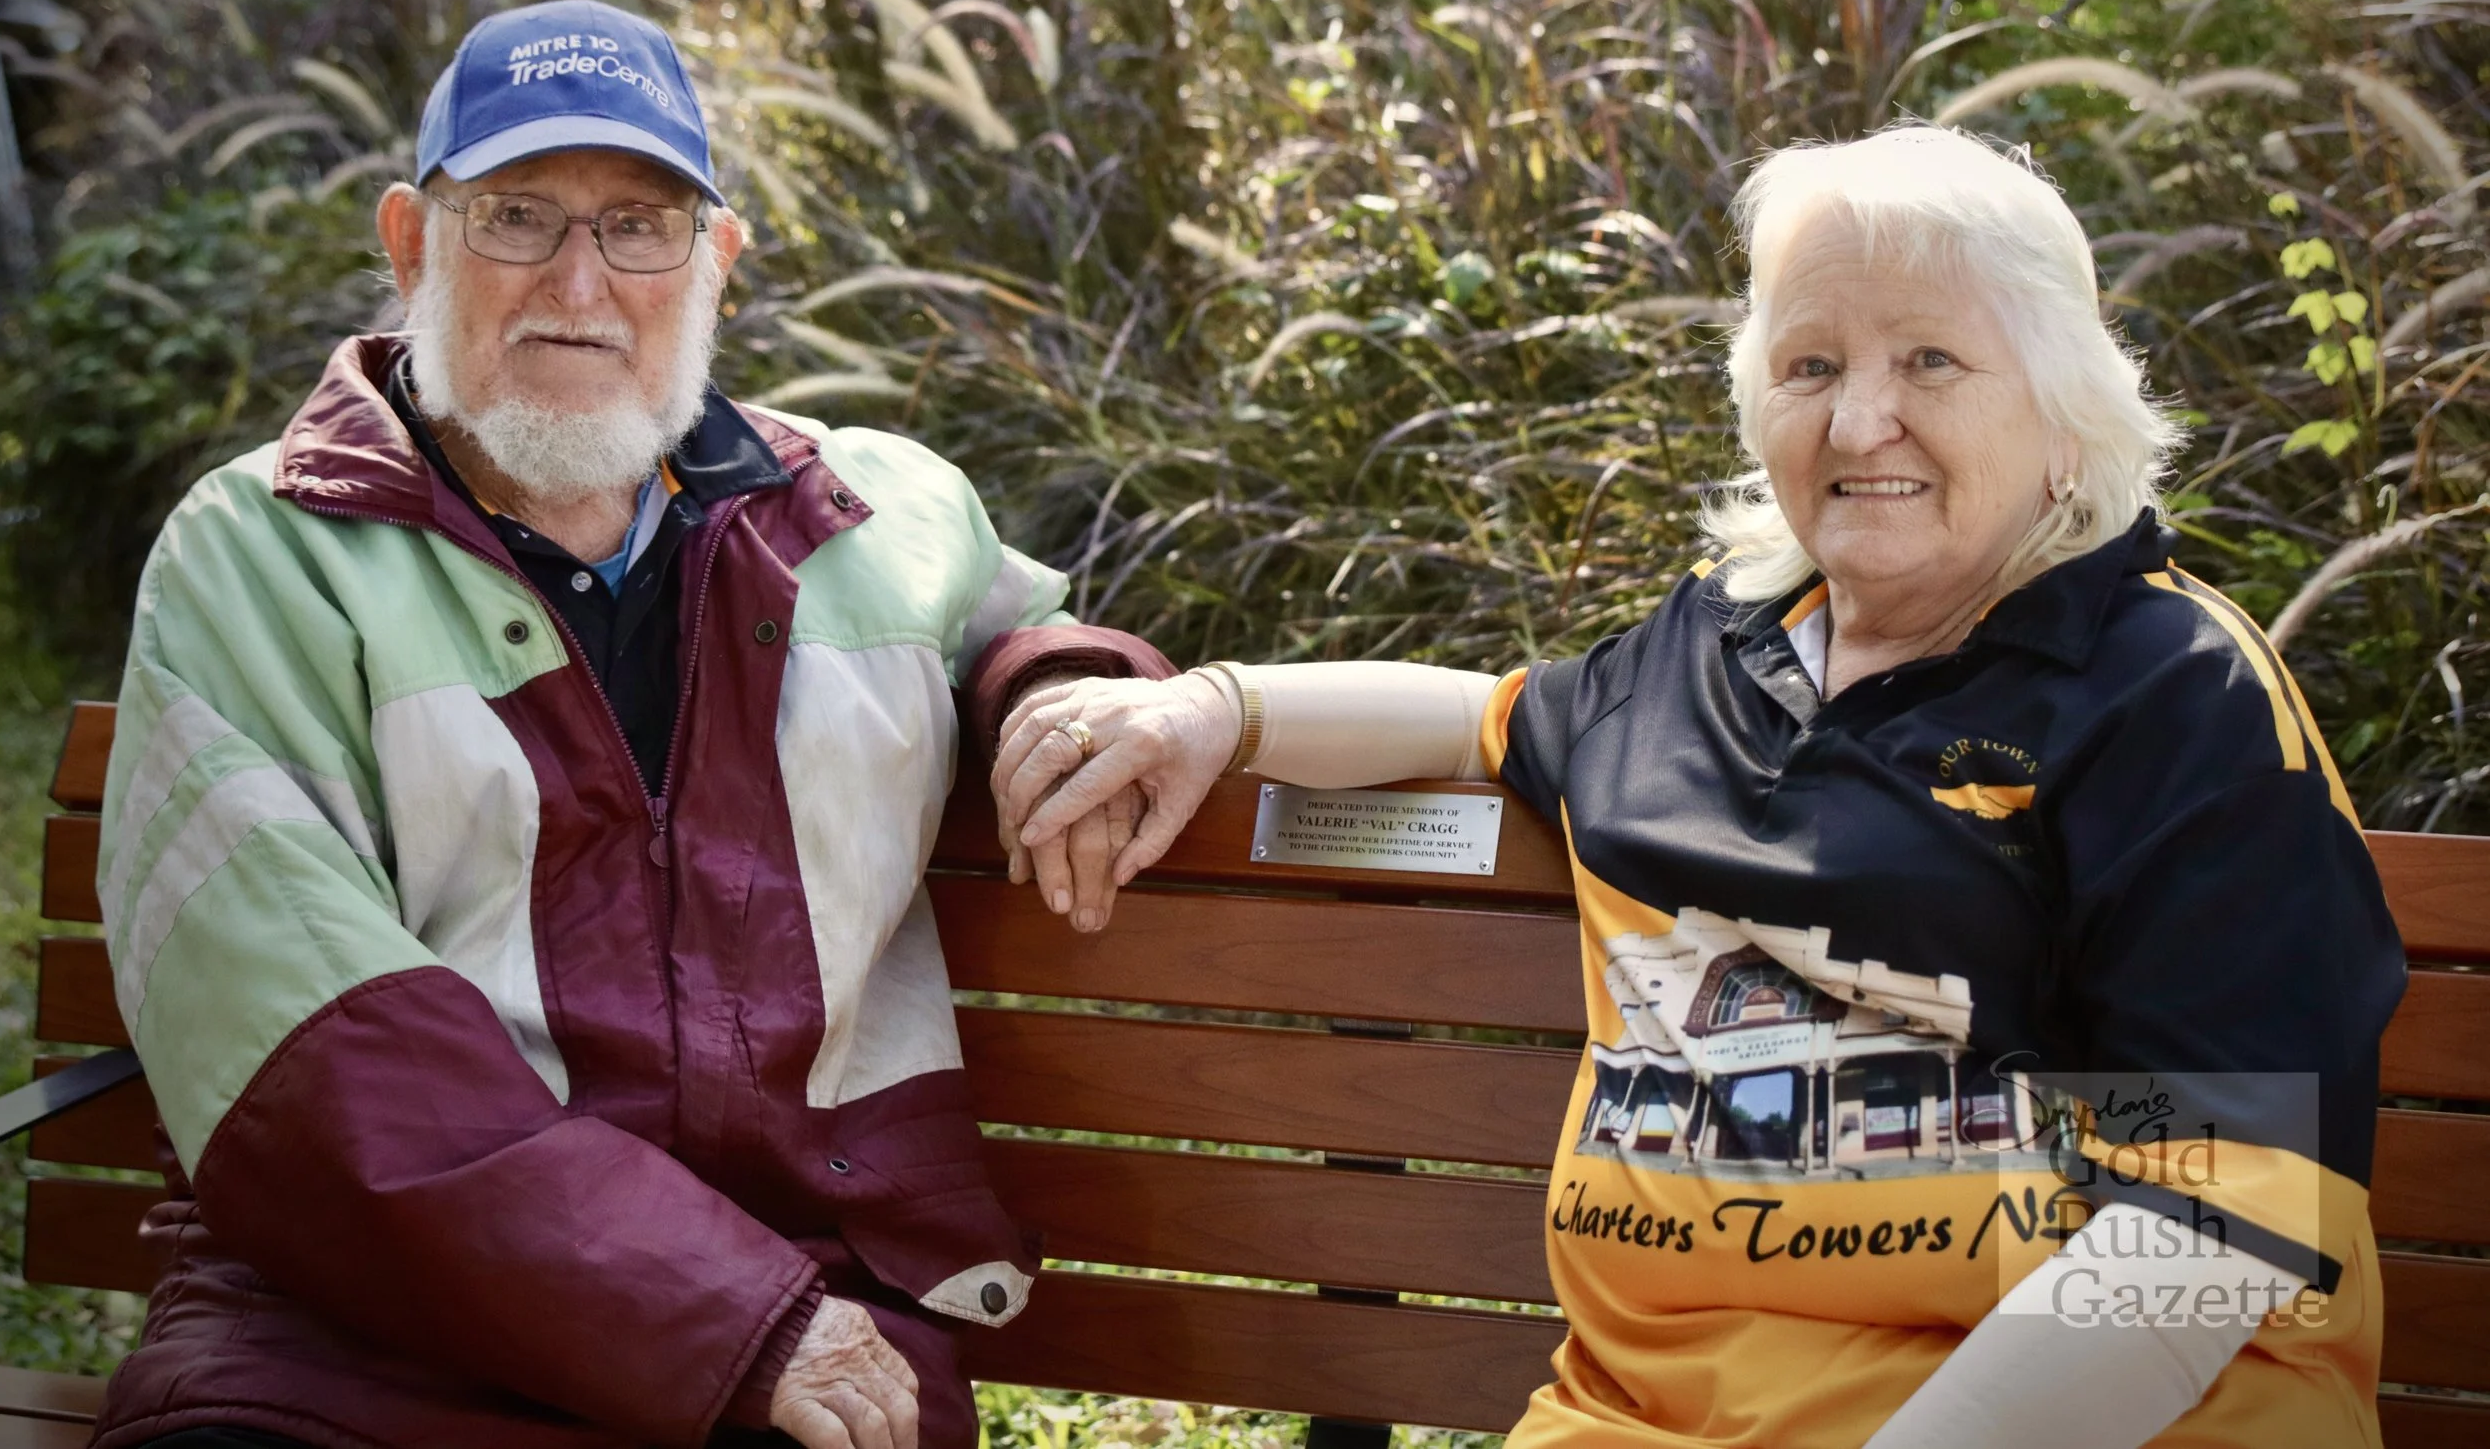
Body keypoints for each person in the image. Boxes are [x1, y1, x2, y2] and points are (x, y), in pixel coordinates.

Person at [990, 126, 2407, 1449]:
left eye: (1930, 360)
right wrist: (1210, 708)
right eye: (1810, 368)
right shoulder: (1709, 654)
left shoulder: (2170, 691)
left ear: (2066, 410)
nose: (1861, 423)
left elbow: (2208, 1227)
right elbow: (1487, 720)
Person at [90, 0, 1169, 1449]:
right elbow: (319, 1055)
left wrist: (1058, 681)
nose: (580, 283)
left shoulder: (874, 511)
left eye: (640, 224)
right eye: (520, 215)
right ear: (413, 242)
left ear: (714, 260)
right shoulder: (262, 555)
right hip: (352, 1348)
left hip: (808, 1315)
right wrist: (720, 1314)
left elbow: (1007, 625)